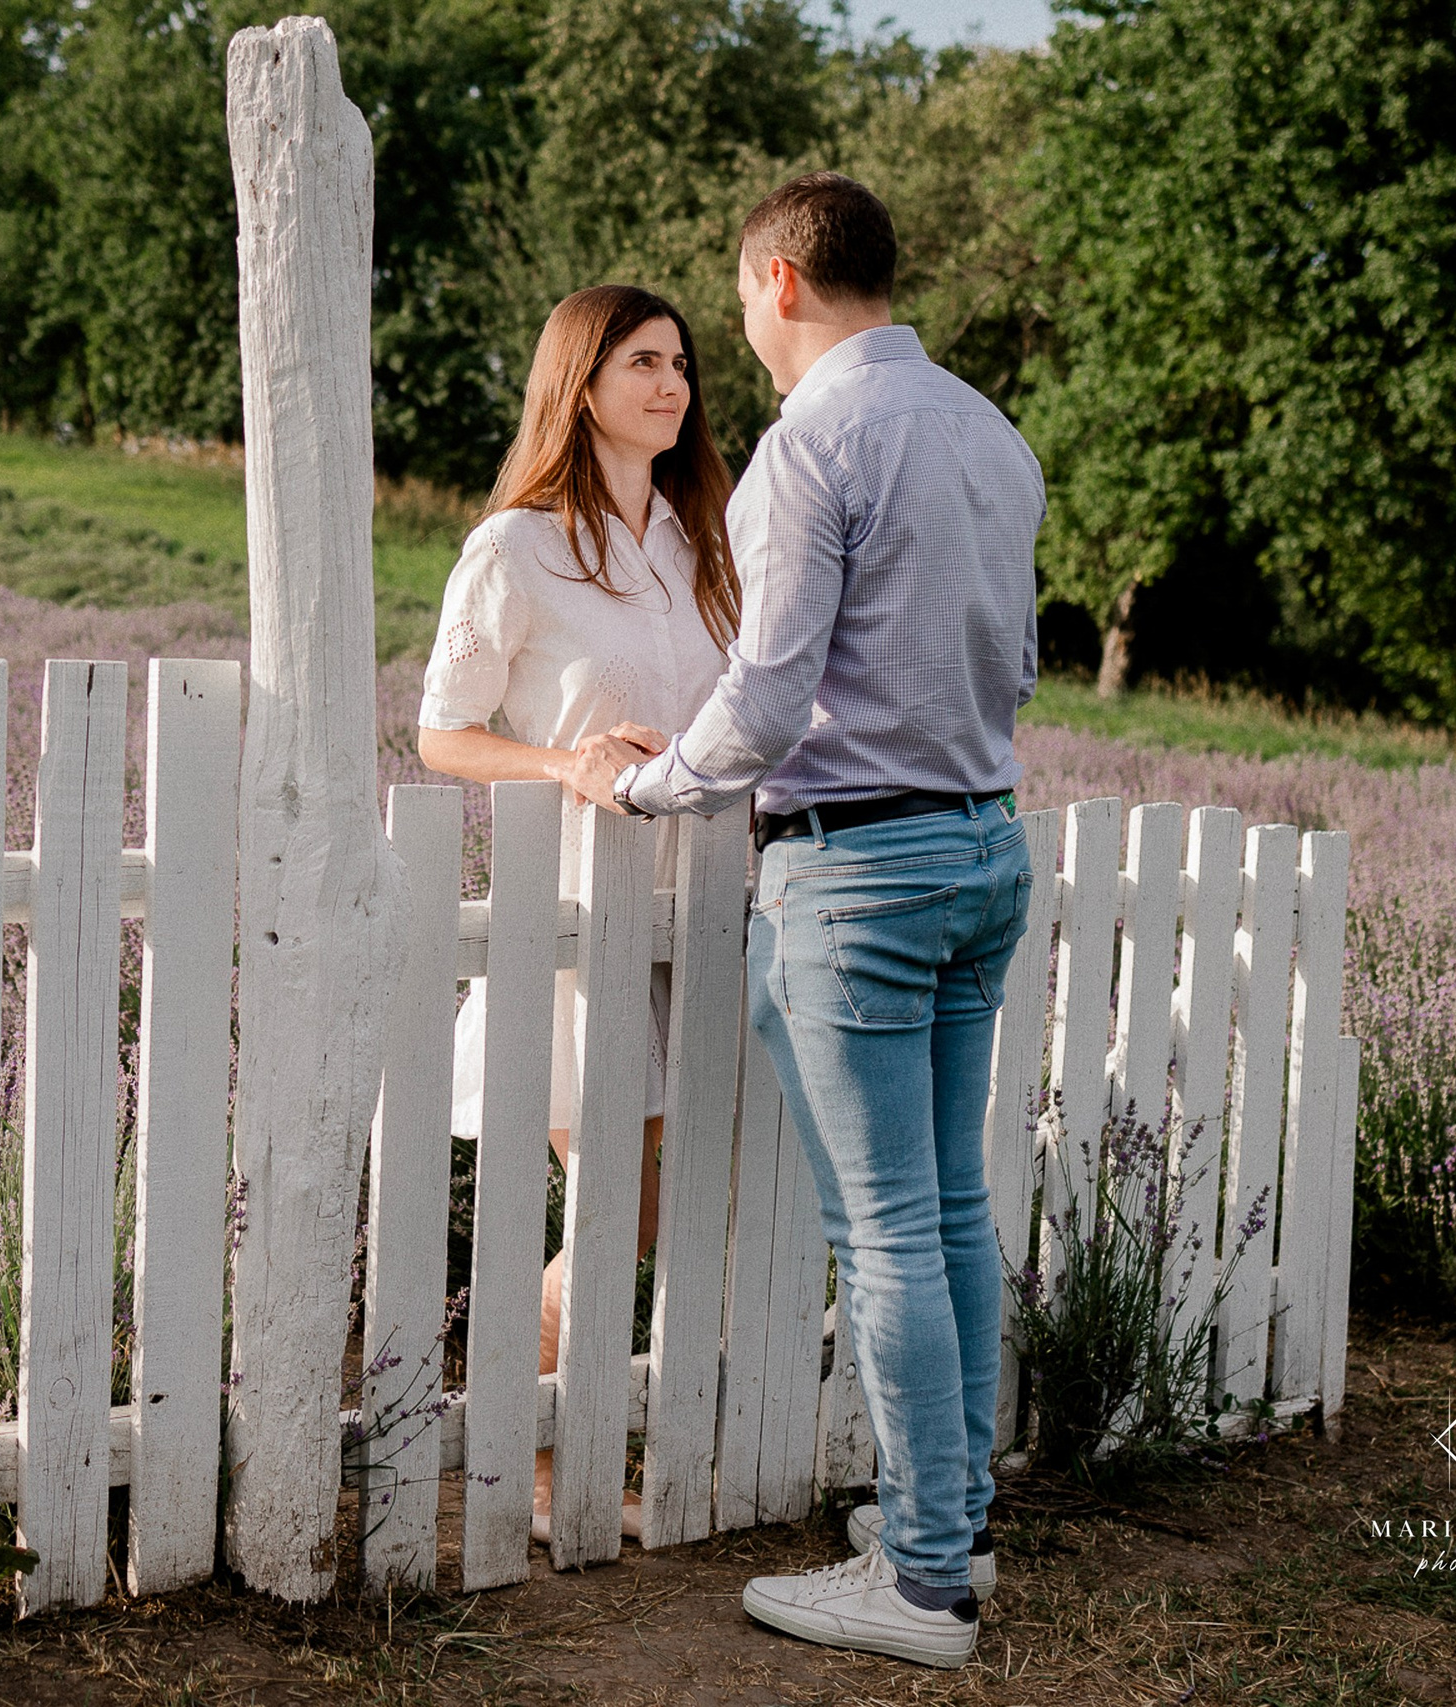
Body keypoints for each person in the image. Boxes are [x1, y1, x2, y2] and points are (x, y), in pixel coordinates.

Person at [548, 172, 1043, 1670]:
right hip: (984, 843)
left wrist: (655, 788)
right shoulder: (992, 434)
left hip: (862, 870)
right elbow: (1013, 659)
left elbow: (767, 695)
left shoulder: (807, 445)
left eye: (736, 309)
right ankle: (942, 1524)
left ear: (775, 281)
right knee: (948, 1206)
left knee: (887, 1226)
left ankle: (923, 1579)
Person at [416, 283, 740, 1541]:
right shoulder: (514, 547)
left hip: (705, 904)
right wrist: (563, 764)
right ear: (581, 382)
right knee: (612, 1200)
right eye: (643, 362)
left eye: (681, 364)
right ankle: (546, 1467)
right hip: (577, 916)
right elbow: (441, 734)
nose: (672, 385)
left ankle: (578, 1430)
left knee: (666, 1206)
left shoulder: (698, 535)